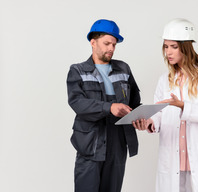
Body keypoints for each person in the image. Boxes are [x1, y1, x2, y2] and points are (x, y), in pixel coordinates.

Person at [133, 18, 198, 192]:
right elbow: (159, 112)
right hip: (173, 158)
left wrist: (182, 106)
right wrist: (150, 122)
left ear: (186, 47)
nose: (168, 52)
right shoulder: (165, 80)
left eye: (174, 47)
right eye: (166, 46)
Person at [67, 19, 141, 192]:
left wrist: (141, 118)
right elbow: (77, 103)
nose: (111, 49)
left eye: (114, 45)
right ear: (93, 42)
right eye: (107, 43)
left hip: (118, 143)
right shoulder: (78, 70)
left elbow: (135, 102)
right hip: (91, 144)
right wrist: (110, 107)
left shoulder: (123, 68)